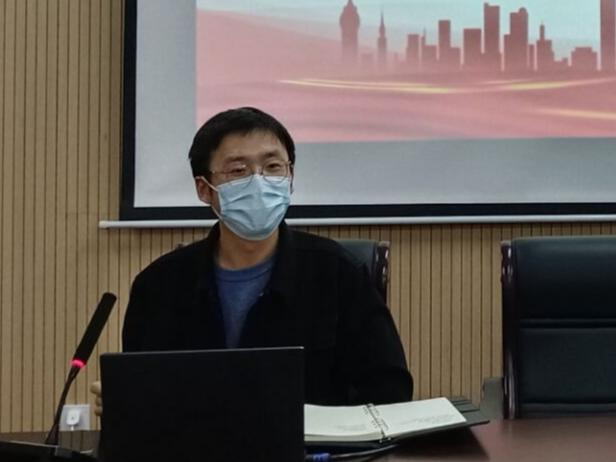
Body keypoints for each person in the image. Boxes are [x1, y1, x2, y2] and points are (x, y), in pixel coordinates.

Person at [91, 107, 412, 415]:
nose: (259, 181)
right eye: (238, 171)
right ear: (204, 189)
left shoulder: (338, 273)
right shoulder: (159, 285)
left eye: (273, 167)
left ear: (290, 177)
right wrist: (129, 403)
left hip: (314, 446)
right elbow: (145, 389)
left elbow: (390, 391)